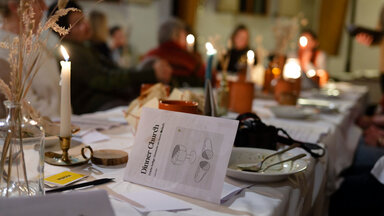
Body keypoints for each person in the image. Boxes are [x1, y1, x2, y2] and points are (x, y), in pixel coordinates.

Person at [48, 1, 172, 114]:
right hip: (94, 107)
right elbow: (105, 80)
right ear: (63, 31)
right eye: (77, 24)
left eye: (83, 20)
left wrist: (147, 73)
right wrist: (149, 73)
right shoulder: (71, 53)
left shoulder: (84, 46)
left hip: (106, 100)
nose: (86, 26)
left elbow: (112, 72)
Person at [0, 0, 60, 118]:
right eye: (38, 2)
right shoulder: (4, 48)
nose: (45, 8)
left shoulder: (35, 42)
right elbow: (25, 103)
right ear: (14, 6)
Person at [142, 18, 205, 87]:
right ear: (176, 36)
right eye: (184, 34)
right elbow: (207, 78)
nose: (185, 37)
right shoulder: (190, 58)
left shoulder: (150, 55)